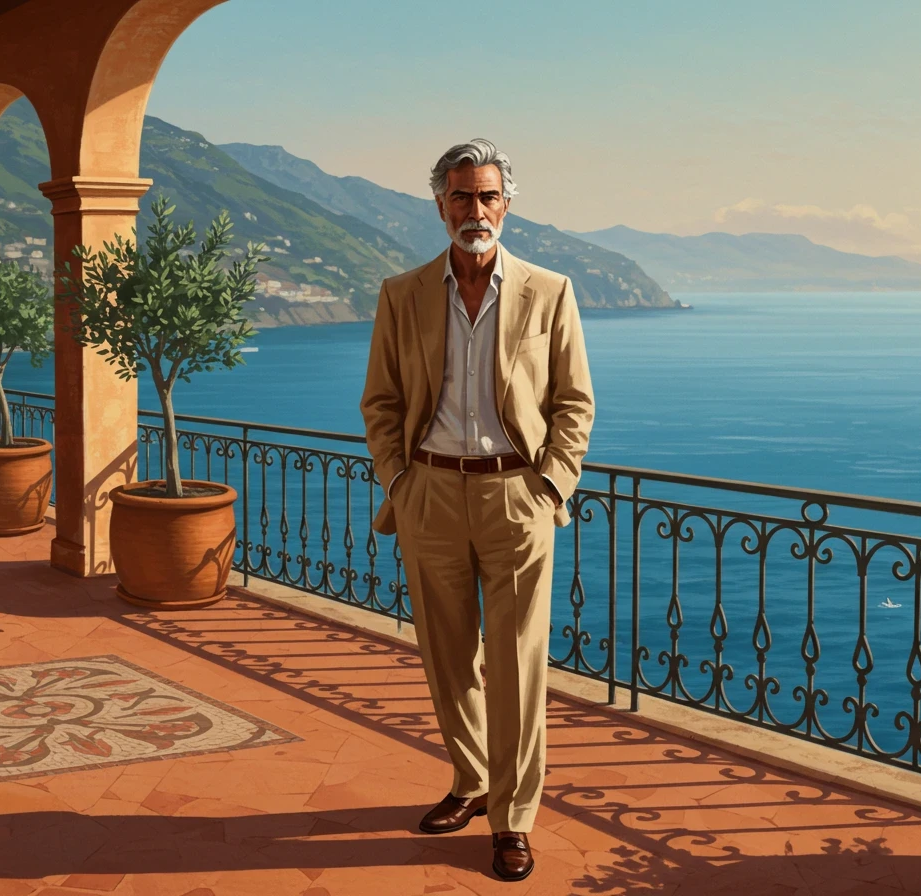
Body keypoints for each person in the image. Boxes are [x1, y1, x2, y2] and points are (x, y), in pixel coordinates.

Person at [360, 138, 595, 881]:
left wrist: (551, 485)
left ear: (507, 204)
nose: (475, 209)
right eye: (460, 196)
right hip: (429, 491)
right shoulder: (402, 293)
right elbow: (383, 402)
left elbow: (573, 403)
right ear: (439, 206)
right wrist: (399, 482)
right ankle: (470, 781)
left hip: (515, 496)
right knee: (447, 655)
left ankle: (513, 818)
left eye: (488, 195)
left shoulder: (549, 290)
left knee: (519, 665)